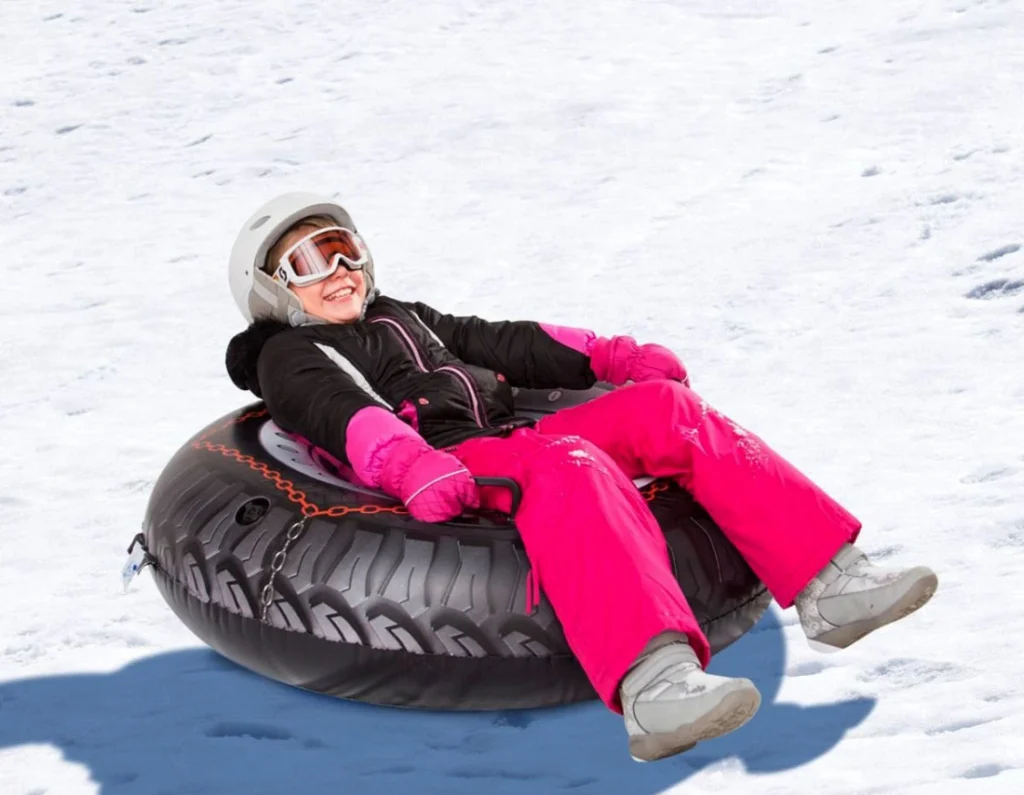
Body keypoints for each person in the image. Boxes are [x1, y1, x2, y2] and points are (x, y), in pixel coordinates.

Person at [225, 192, 938, 762]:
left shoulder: (405, 317)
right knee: (571, 466)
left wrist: (611, 357)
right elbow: (336, 411)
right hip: (449, 462)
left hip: (510, 435)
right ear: (273, 289)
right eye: (309, 262)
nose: (337, 270)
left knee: (665, 410)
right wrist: (412, 464)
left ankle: (833, 585)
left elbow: (503, 340)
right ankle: (653, 687)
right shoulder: (291, 353)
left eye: (344, 250)